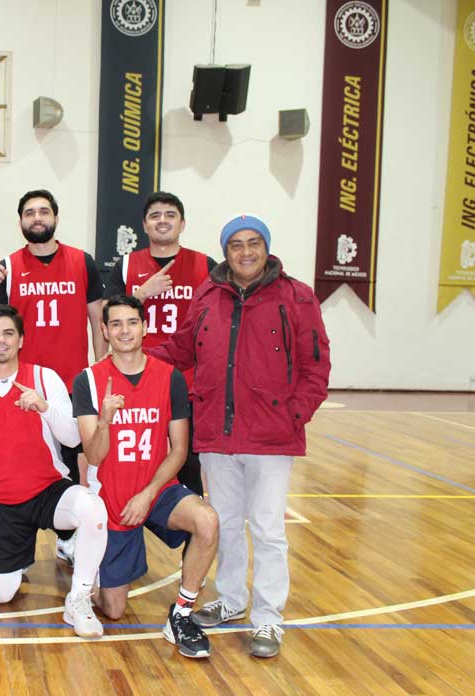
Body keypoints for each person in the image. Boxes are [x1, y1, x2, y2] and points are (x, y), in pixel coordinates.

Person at [150, 214, 331, 658]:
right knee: (225, 525)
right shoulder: (209, 294)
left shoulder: (296, 296)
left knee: (268, 529)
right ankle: (230, 600)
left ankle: (268, 618)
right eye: (236, 245)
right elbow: (180, 348)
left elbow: (316, 365)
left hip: (271, 436)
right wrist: (129, 355)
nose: (245, 252)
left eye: (254, 243)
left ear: (266, 248)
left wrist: (295, 414)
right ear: (225, 251)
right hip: (216, 432)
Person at [0, 304, 108, 639]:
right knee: (0, 595)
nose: (0, 341)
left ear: (20, 340)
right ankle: (18, 557)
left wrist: (44, 408)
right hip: (1, 503)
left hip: (48, 491)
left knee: (93, 510)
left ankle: (78, 599)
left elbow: (74, 437)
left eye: (8, 333)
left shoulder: (45, 379)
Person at [74, 294, 219, 658]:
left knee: (207, 521)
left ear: (145, 327)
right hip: (113, 502)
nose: (125, 331)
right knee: (115, 609)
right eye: (116, 324)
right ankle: (90, 568)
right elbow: (92, 455)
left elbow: (179, 450)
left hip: (158, 490)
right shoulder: (88, 381)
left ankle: (182, 614)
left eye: (132, 322)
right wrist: (104, 421)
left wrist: (149, 492)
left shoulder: (169, 377)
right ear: (104, 331)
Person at [0, 189, 106, 564]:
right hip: (28, 385)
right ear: (20, 221)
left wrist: (99, 372)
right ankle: (33, 531)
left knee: (86, 461)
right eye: (29, 212)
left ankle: (80, 530)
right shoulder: (11, 268)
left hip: (74, 381)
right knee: (35, 462)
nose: (37, 217)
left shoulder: (83, 262)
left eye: (43, 211)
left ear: (56, 217)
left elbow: (97, 319)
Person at [103, 191, 217, 499]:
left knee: (189, 465)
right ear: (144, 225)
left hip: (189, 379)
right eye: (155, 215)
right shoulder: (125, 266)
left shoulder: (206, 266)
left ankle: (192, 540)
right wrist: (141, 293)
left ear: (183, 224)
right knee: (128, 460)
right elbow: (107, 316)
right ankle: (122, 529)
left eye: (170, 215)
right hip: (136, 378)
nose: (162, 221)